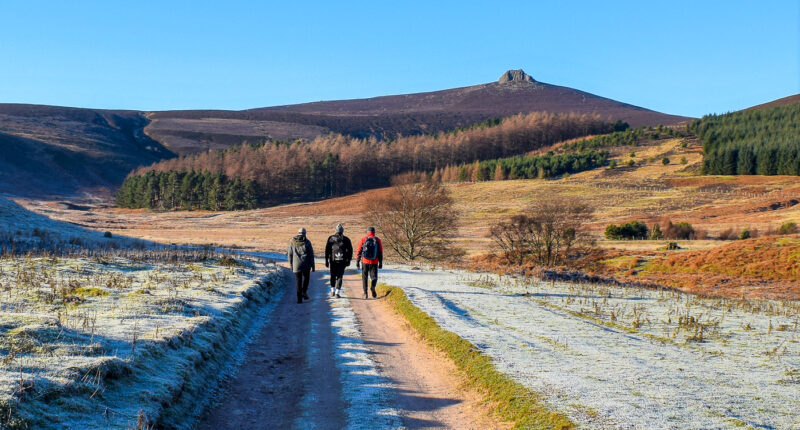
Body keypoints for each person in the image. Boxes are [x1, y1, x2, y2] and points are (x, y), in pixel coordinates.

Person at [325, 223, 353, 298]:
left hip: (333, 260)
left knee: (332, 275)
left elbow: (327, 250)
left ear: (335, 230)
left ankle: (332, 291)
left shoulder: (331, 238)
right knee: (340, 276)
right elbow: (350, 250)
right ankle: (337, 292)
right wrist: (349, 260)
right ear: (342, 231)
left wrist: (326, 260)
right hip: (342, 260)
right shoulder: (346, 239)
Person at [287, 227, 315, 304]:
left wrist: (291, 265)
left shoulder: (292, 242)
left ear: (298, 233)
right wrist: (313, 266)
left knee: (298, 281)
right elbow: (311, 255)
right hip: (306, 264)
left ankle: (299, 299)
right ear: (305, 233)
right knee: (306, 279)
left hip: (296, 265)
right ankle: (304, 291)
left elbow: (290, 254)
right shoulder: (307, 242)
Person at [356, 226, 383, 299]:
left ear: (367, 232)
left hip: (365, 261)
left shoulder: (363, 239)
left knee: (364, 277)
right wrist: (380, 263)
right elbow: (380, 252)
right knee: (374, 277)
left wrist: (357, 261)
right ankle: (373, 287)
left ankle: (365, 293)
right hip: (374, 262)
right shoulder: (377, 240)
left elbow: (359, 251)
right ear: (374, 232)